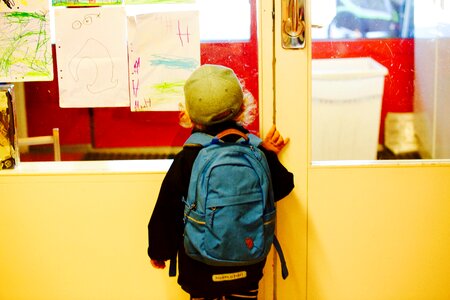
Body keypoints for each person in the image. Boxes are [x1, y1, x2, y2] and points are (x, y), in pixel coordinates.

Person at [147, 64, 294, 300]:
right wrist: (268, 154)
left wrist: (159, 251)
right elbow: (284, 186)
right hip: (248, 263)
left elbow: (167, 210)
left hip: (200, 267)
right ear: (243, 107)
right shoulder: (255, 152)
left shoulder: (189, 158)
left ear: (189, 116)